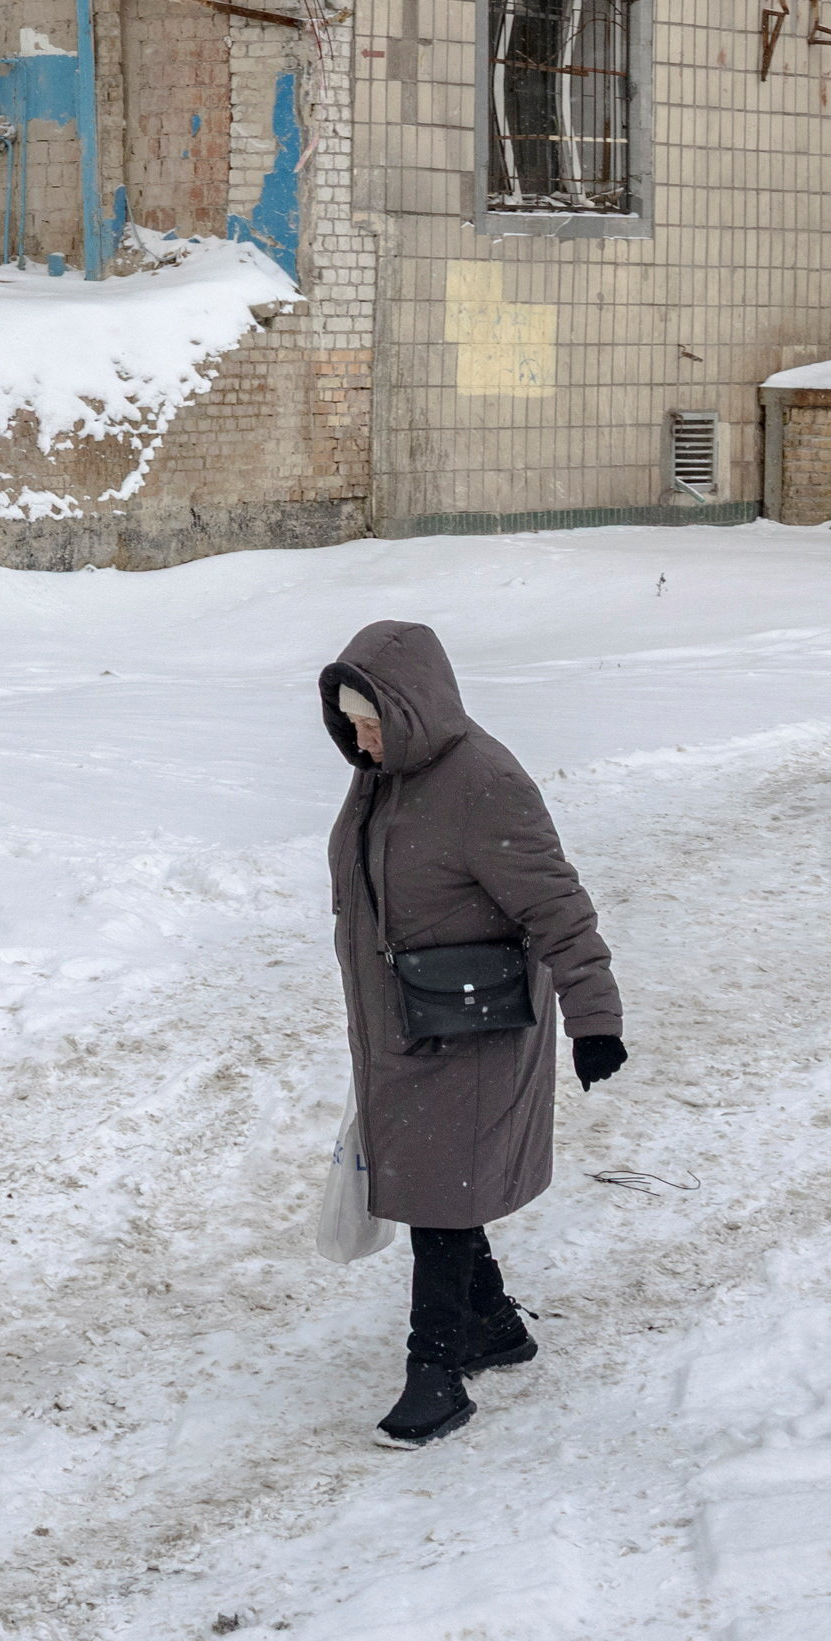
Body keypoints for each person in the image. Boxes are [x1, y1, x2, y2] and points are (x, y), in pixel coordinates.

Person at [318, 618, 623, 1449]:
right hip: (402, 1026)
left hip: (472, 1027)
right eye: (353, 725)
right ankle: (492, 1325)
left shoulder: (482, 782)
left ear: (415, 709)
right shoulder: (383, 778)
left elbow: (557, 904)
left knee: (441, 1200)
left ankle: (437, 1373)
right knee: (433, 1187)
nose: (362, 742)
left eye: (374, 724)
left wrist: (594, 1020)